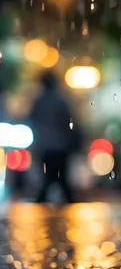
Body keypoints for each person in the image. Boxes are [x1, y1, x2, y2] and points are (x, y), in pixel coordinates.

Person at [29, 71, 80, 204]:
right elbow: (69, 123)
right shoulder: (61, 101)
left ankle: (42, 201)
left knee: (50, 177)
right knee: (60, 177)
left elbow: (33, 121)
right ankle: (69, 201)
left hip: (45, 147)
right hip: (61, 146)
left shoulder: (38, 102)